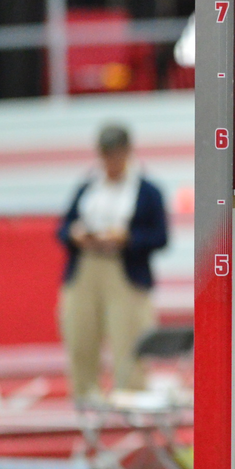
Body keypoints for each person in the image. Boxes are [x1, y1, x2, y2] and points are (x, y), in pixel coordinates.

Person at [57, 123, 169, 402]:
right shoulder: (87, 186)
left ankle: (132, 398)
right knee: (81, 337)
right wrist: (76, 235)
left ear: (128, 153)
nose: (111, 161)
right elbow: (63, 228)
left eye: (116, 154)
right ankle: (85, 397)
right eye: (106, 155)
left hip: (125, 271)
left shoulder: (147, 191)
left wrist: (128, 238)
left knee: (129, 341)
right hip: (85, 268)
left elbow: (160, 237)